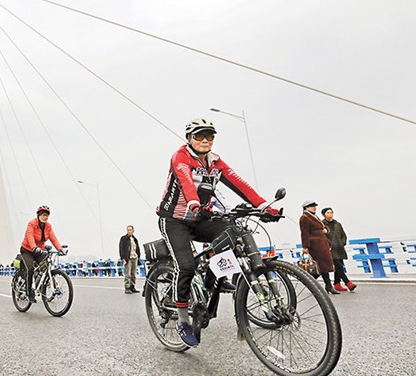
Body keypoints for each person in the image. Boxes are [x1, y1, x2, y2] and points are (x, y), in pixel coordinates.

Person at [157, 118, 281, 348]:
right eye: (199, 136)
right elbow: (185, 181)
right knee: (186, 266)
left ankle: (214, 277)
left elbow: (240, 184)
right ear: (189, 138)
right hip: (174, 220)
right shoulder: (181, 157)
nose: (205, 140)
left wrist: (264, 206)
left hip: (200, 218)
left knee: (231, 231)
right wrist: (193, 201)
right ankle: (183, 321)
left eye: (210, 136)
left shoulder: (215, 162)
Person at [20, 205, 64, 303]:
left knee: (45, 266)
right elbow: (30, 236)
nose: (45, 217)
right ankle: (29, 293)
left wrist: (60, 249)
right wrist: (34, 247)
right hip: (27, 250)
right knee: (30, 268)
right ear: (38, 215)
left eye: (47, 215)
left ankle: (41, 286)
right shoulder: (32, 224)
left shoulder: (48, 226)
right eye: (43, 215)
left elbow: (53, 238)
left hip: (39, 250)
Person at [300, 201, 337, 295]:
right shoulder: (304, 218)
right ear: (306, 208)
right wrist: (305, 246)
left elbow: (321, 227)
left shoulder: (314, 216)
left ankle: (327, 285)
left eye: (314, 206)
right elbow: (304, 233)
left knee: (323, 266)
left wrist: (325, 230)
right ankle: (316, 284)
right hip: (315, 245)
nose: (314, 207)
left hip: (322, 243)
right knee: (319, 266)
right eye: (311, 206)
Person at [322, 207, 356, 292]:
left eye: (331, 212)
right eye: (328, 213)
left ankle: (337, 284)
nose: (330, 214)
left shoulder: (337, 224)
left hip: (339, 248)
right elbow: (322, 237)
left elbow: (343, 235)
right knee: (338, 266)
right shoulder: (322, 225)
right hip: (330, 249)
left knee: (339, 265)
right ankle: (348, 282)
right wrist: (328, 244)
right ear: (324, 215)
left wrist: (342, 242)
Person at [119, 225, 141, 294]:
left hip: (135, 257)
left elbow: (137, 248)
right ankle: (127, 287)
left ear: (133, 231)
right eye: (128, 230)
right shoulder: (123, 238)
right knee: (127, 274)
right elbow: (121, 249)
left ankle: (132, 286)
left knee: (133, 274)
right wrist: (122, 258)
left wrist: (138, 256)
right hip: (128, 258)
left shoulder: (135, 239)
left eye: (130, 230)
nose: (129, 231)